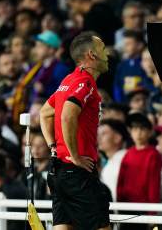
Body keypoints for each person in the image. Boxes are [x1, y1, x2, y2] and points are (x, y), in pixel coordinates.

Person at [40, 31, 111, 230]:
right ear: (92, 54)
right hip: (77, 172)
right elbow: (68, 114)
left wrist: (53, 147)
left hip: (58, 172)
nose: (107, 55)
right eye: (103, 49)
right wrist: (75, 156)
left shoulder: (67, 81)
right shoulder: (85, 82)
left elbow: (45, 113)